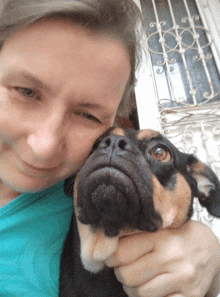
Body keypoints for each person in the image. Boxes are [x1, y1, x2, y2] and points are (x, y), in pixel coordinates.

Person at [0, 0, 219, 296]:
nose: (45, 146)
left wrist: (211, 260)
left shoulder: (87, 198)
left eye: (88, 115)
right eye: (26, 92)